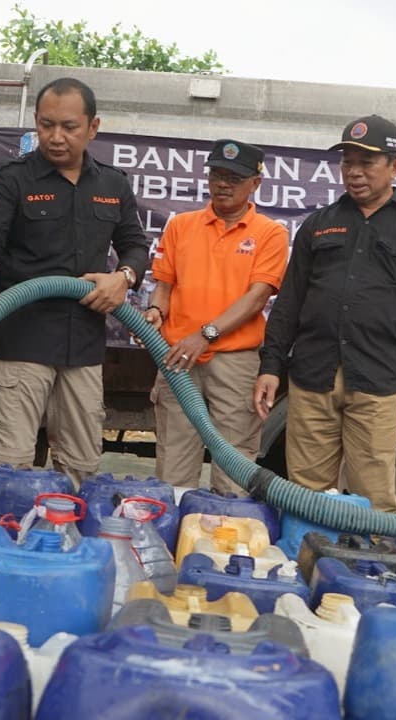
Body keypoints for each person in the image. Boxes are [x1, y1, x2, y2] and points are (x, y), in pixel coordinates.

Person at [0, 78, 150, 486]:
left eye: (69, 127)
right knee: (10, 466)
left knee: (82, 466)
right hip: (21, 341)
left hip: (83, 346)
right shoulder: (11, 180)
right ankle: (1, 544)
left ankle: (67, 545)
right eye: (46, 125)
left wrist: (122, 278)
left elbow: (136, 247)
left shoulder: (112, 183)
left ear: (93, 127)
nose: (56, 137)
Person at [253, 115, 396, 512]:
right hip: (312, 377)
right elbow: (289, 301)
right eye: (347, 163)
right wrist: (271, 365)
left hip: (378, 380)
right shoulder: (319, 225)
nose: (354, 173)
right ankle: (310, 566)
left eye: (367, 162)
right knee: (307, 497)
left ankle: (369, 571)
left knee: (374, 499)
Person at [144, 139, 289, 495]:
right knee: (174, 462)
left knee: (234, 466)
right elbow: (163, 284)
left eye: (235, 178)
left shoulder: (270, 233)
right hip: (177, 358)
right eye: (217, 175)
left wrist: (205, 334)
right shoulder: (181, 226)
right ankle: (171, 542)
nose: (223, 184)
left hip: (235, 362)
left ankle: (230, 542)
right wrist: (154, 311)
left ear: (255, 183)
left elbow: (257, 298)